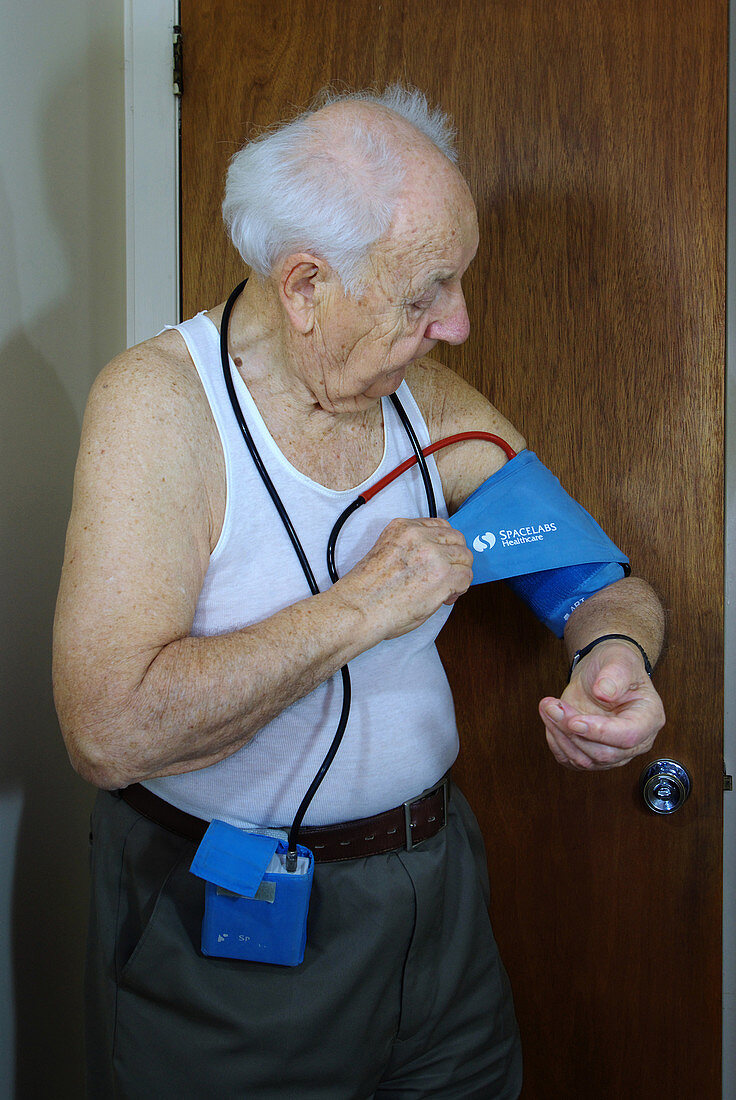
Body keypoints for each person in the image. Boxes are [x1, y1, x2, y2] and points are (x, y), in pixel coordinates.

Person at [52, 85, 665, 1099]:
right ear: (305, 285)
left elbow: (597, 579)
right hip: (223, 932)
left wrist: (614, 656)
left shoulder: (428, 403)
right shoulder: (159, 407)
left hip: (437, 908)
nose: (458, 325)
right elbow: (107, 731)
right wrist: (360, 606)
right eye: (424, 293)